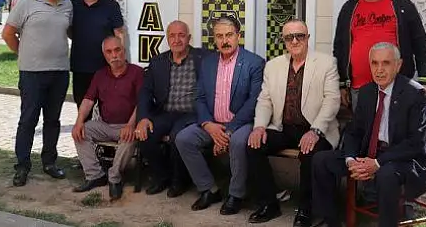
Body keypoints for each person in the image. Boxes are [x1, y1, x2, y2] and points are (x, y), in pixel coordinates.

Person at [312, 42, 426, 227]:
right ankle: (332, 222)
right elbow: (354, 131)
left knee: (386, 174)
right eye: (374, 63)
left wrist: (376, 163)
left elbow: (415, 143)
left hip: (403, 159)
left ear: (398, 65)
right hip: (369, 154)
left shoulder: (416, 94)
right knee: (321, 160)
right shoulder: (367, 92)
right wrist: (351, 159)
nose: (379, 70)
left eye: (386, 63)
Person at [246, 19, 340, 226]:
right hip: (284, 128)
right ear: (284, 40)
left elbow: (332, 100)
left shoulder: (326, 63)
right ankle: (269, 204)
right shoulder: (273, 66)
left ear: (308, 38)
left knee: (309, 152)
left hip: (316, 128)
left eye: (300, 36)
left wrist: (315, 131)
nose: (295, 41)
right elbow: (265, 100)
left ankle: (306, 209)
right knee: (253, 145)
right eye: (289, 37)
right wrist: (259, 126)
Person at [175, 16, 264, 215]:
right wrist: (208, 124)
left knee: (238, 142)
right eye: (219, 36)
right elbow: (199, 97)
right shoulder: (207, 62)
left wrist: (228, 131)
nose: (224, 41)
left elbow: (253, 101)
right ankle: (209, 189)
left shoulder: (254, 62)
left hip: (241, 123)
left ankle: (236, 194)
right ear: (214, 39)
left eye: (229, 35)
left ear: (238, 36)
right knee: (184, 139)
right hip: (213, 123)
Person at [2, 0, 73, 187]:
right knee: (28, 120)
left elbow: (70, 31)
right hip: (32, 73)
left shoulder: (67, 5)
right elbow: (8, 33)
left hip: (59, 72)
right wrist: (23, 53)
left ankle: (49, 163)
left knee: (53, 120)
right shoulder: (26, 2)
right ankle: (22, 166)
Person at [333, 0, 426, 114]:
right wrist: (341, 84)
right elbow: (339, 48)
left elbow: (420, 44)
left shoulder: (402, 5)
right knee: (364, 129)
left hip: (397, 88)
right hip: (359, 89)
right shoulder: (349, 8)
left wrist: (425, 79)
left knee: (395, 128)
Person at [135, 20, 207, 197]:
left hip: (192, 113)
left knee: (176, 137)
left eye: (181, 35)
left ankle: (179, 180)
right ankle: (162, 176)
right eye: (172, 36)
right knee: (145, 135)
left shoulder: (203, 58)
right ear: (167, 39)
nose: (177, 40)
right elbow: (145, 91)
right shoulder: (158, 62)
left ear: (189, 38)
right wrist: (143, 117)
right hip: (166, 112)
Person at [71, 36, 144, 201]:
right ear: (104, 55)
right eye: (109, 52)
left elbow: (142, 102)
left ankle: (114, 178)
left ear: (124, 51)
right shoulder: (100, 74)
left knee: (130, 137)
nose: (114, 55)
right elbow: (88, 100)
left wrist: (131, 125)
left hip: (128, 124)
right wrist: (79, 121)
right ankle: (95, 175)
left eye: (117, 50)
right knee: (81, 131)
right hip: (105, 125)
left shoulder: (137, 72)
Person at [70, 0, 125, 110]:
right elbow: (69, 31)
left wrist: (119, 60)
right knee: (82, 110)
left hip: (106, 68)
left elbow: (119, 34)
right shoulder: (72, 6)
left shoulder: (111, 6)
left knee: (109, 110)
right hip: (80, 68)